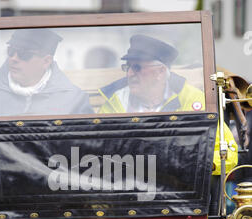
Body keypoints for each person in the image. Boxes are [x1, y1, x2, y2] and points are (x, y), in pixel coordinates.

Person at [99, 34, 238, 175]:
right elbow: (96, 148)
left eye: (136, 67)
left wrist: (188, 163)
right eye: (127, 67)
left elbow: (228, 152)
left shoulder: (193, 100)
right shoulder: (115, 102)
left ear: (160, 71)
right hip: (127, 186)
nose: (129, 74)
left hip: (180, 188)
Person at [0, 28, 91, 116]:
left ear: (46, 61)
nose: (13, 58)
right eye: (10, 51)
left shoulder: (75, 99)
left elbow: (85, 137)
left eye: (23, 54)